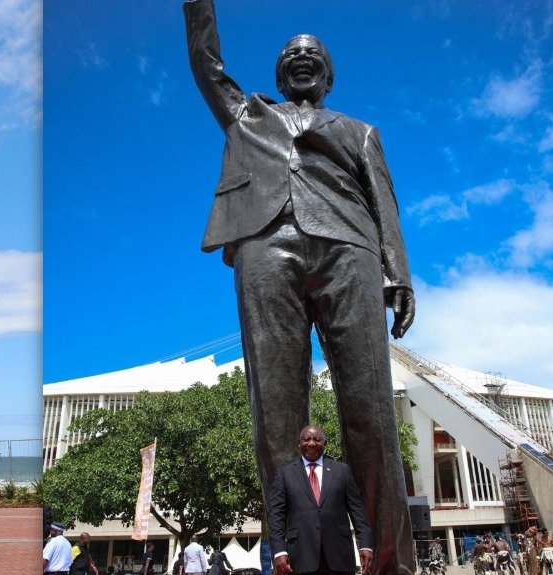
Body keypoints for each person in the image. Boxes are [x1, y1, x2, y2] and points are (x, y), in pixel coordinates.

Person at [184, 2, 416, 573]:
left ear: (329, 75)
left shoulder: (360, 133)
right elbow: (205, 61)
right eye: (292, 55)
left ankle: (389, 563)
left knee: (369, 409)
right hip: (266, 245)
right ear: (280, 73)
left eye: (314, 55)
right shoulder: (248, 114)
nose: (302, 59)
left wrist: (399, 272)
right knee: (277, 414)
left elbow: (384, 203)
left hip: (349, 248)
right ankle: (293, 559)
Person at [268, 425, 373, 575]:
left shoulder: (342, 471)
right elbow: (276, 516)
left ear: (325, 444)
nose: (311, 443)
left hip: (339, 557)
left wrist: (365, 546)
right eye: (307, 439)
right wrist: (279, 551)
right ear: (299, 444)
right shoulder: (285, 474)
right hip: (300, 558)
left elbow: (358, 512)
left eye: (317, 439)